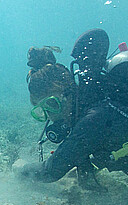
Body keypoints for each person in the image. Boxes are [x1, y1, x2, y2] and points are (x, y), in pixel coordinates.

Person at [16, 29, 128, 190]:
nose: (52, 117)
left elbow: (49, 172)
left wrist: (20, 168)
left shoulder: (94, 119)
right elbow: (86, 148)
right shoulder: (95, 108)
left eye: (53, 105)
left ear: (68, 93)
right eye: (42, 111)